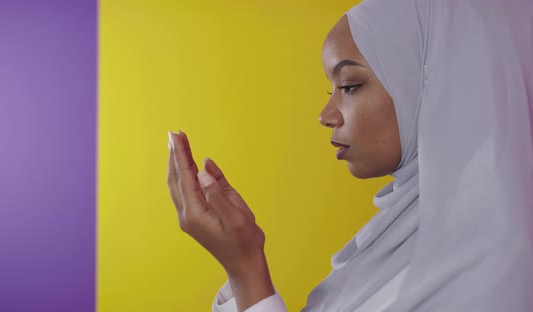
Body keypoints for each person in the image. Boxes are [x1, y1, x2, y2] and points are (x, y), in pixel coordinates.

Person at [167, 0, 533, 311]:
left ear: (438, 86)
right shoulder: (401, 234)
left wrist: (247, 268)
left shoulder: (494, 267)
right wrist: (241, 269)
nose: (326, 116)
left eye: (350, 86)